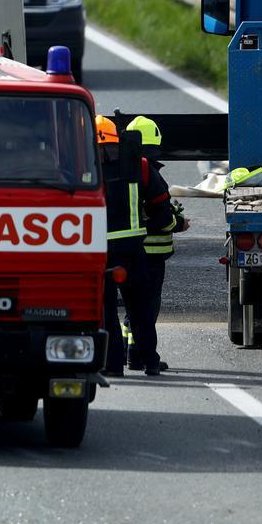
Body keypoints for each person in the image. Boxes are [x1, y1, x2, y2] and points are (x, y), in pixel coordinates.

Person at [97, 114, 151, 377]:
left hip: (103, 251)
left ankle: (114, 365)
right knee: (140, 308)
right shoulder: (138, 165)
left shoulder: (87, 169)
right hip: (133, 249)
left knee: (107, 310)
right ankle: (149, 362)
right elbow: (159, 202)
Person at [130, 114, 183, 375]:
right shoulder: (150, 175)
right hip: (152, 255)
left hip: (130, 250)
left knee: (133, 304)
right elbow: (162, 218)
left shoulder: (123, 172)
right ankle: (142, 354)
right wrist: (178, 222)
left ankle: (132, 353)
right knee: (148, 306)